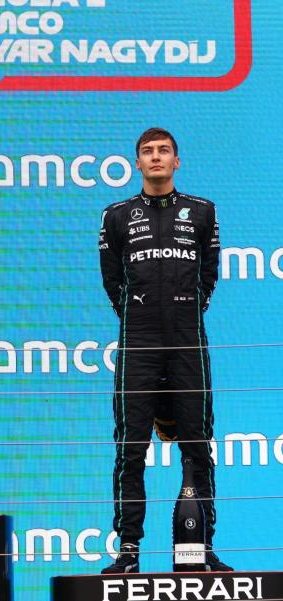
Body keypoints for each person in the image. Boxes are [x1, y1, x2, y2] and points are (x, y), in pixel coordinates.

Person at [99, 128, 231, 573]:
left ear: (177, 161)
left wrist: (183, 312)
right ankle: (129, 552)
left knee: (197, 445)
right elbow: (112, 281)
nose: (156, 158)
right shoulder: (116, 216)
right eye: (147, 152)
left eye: (163, 151)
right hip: (138, 345)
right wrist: (137, 317)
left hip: (187, 343)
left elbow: (208, 277)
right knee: (130, 449)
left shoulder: (203, 212)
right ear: (137, 163)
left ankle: (200, 550)